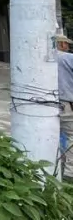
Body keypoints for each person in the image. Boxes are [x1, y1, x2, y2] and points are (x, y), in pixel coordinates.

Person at [57, 34, 73, 177]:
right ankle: (70, 172)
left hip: (44, 103)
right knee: (71, 136)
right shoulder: (68, 58)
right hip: (66, 103)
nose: (67, 46)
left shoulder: (40, 58)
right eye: (66, 44)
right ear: (61, 44)